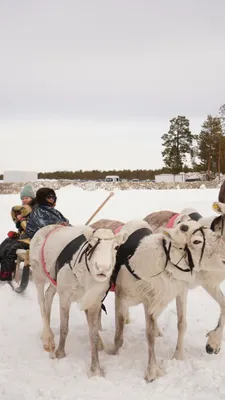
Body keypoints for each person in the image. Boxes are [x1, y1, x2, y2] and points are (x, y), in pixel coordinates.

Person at [0, 185, 35, 280]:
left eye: (27, 198)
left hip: (30, 239)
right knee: (4, 244)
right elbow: (20, 226)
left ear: (32, 198)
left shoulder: (35, 210)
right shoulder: (24, 210)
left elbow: (30, 228)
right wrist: (19, 220)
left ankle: (7, 272)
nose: (24, 200)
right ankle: (3, 269)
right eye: (23, 198)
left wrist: (22, 220)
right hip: (23, 237)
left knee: (10, 249)